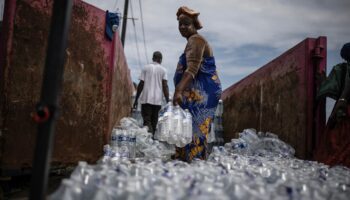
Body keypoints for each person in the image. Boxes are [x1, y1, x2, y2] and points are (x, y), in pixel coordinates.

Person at [173, 6, 222, 162]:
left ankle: (196, 159)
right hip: (198, 90)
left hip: (204, 90)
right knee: (188, 121)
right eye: (180, 24)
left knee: (196, 123)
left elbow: (193, 68)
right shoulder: (191, 42)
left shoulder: (197, 39)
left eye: (186, 24)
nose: (182, 27)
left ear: (194, 25)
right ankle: (185, 155)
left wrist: (178, 90)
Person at [315, 42, 350, 167]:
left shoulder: (342, 68)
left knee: (338, 142)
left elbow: (346, 87)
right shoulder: (342, 69)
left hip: (345, 109)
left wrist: (341, 102)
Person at [133, 51, 169, 135]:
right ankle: (151, 140)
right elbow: (165, 86)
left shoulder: (146, 68)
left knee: (147, 121)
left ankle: (148, 142)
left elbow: (141, 84)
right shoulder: (163, 70)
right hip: (157, 102)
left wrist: (136, 99)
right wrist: (168, 101)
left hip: (146, 100)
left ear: (153, 58)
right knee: (153, 122)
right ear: (161, 60)